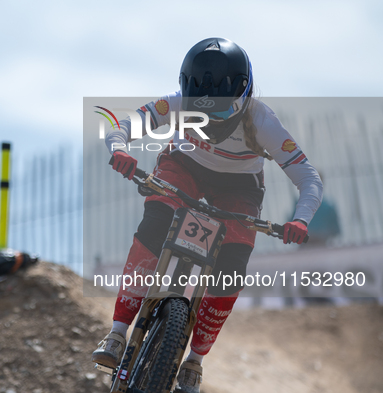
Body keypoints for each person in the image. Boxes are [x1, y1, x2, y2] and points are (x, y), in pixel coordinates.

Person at [91, 37, 323, 393]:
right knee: (154, 226)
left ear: (243, 94)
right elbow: (124, 125)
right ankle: (118, 332)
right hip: (183, 166)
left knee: (231, 267)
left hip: (239, 187)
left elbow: (308, 177)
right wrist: (120, 148)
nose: (210, 119)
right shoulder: (177, 103)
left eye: (219, 110)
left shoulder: (263, 121)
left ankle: (195, 361)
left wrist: (300, 219)